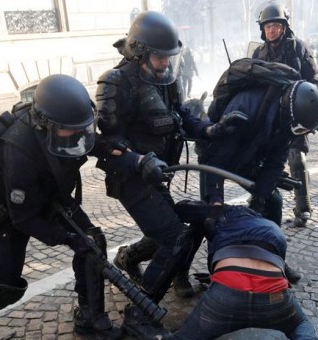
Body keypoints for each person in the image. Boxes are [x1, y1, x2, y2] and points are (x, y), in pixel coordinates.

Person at [0, 74, 121, 339]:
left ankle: (90, 317)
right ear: (44, 125)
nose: (76, 135)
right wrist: (69, 238)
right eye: (69, 130)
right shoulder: (18, 150)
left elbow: (85, 140)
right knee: (4, 288)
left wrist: (112, 148)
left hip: (51, 197)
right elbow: (24, 219)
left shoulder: (68, 124)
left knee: (92, 242)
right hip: (10, 212)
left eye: (80, 128)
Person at [93, 11, 246, 338]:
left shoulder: (167, 80)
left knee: (175, 228)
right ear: (138, 50)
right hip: (131, 179)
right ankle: (141, 311)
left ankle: (128, 257)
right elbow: (104, 142)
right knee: (174, 236)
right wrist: (138, 161)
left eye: (168, 57)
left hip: (159, 174)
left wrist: (211, 128)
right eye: (159, 56)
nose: (164, 63)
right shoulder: (115, 83)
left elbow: (184, 117)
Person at [199, 79, 318, 284]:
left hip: (249, 157)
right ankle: (210, 273)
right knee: (209, 216)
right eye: (301, 130)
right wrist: (214, 200)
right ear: (292, 114)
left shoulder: (288, 121)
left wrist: (260, 196)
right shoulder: (246, 108)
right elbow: (217, 159)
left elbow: (276, 162)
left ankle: (274, 260)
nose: (300, 135)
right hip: (216, 157)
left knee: (273, 201)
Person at [172, 202, 318, 340]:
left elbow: (181, 208)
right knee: (301, 324)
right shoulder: (271, 227)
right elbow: (277, 264)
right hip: (274, 295)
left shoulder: (224, 213)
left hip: (225, 294)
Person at [251, 3, 318, 228]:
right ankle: (261, 201)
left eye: (276, 25)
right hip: (268, 117)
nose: (271, 30)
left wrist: (310, 116)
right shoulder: (258, 53)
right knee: (263, 162)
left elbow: (314, 83)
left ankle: (303, 207)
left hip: (294, 115)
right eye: (268, 26)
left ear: (284, 27)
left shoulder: (297, 48)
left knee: (296, 160)